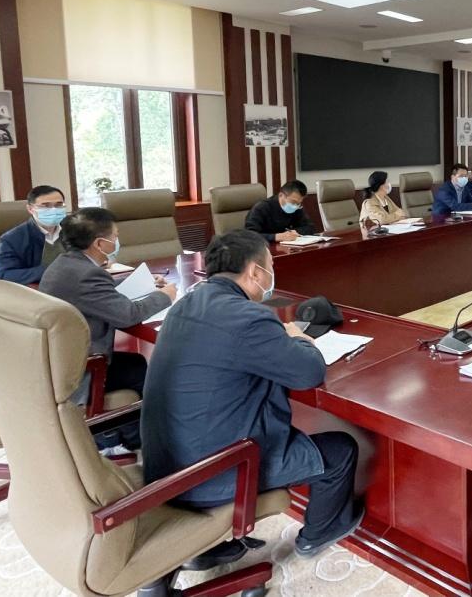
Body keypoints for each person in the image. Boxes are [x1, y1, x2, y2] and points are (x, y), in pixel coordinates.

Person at [141, 230, 364, 566]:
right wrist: (297, 337)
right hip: (211, 472)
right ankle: (317, 534)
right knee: (340, 450)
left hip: (165, 466)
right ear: (255, 272)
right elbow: (308, 373)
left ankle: (206, 544)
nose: (272, 273)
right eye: (271, 266)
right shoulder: (247, 317)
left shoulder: (184, 304)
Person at [38, 207, 175, 435]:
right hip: (80, 370)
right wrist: (165, 296)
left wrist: (145, 283)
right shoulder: (87, 275)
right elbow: (128, 315)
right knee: (149, 372)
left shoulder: (66, 264)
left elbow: (97, 291)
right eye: (115, 236)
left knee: (136, 364)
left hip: (58, 360)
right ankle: (124, 438)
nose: (117, 241)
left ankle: (131, 434)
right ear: (100, 244)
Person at [0, 185, 68, 284]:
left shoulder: (74, 229)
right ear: (30, 209)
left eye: (59, 205)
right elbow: (2, 275)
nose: (53, 210)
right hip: (39, 289)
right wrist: (50, 270)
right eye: (46, 205)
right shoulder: (12, 238)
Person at [246, 180, 317, 243]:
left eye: (298, 203)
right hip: (264, 248)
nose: (295, 206)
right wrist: (276, 237)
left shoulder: (296, 207)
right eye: (293, 202)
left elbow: (310, 227)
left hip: (288, 247)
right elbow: (249, 236)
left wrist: (295, 232)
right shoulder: (261, 208)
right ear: (281, 195)